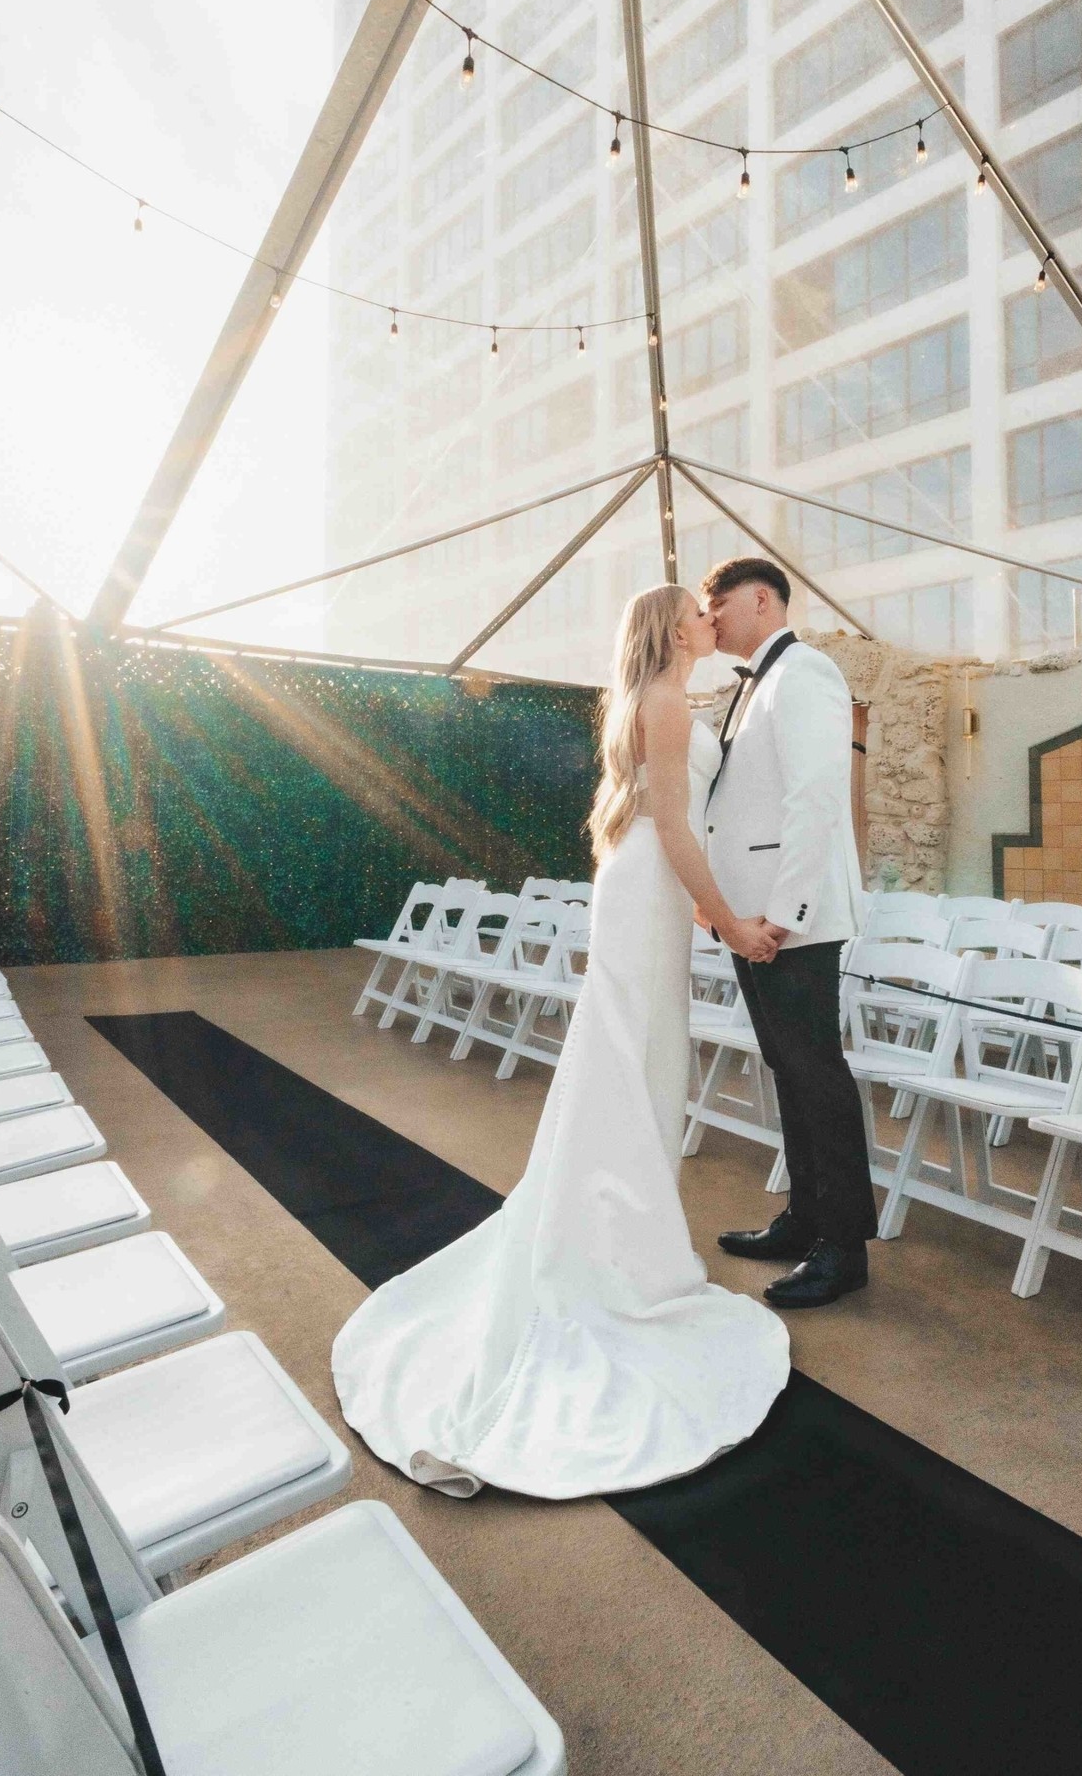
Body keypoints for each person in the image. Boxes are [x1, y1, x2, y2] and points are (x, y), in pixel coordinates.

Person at [331, 584, 790, 1498]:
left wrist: (695, 902)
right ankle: (617, 1257)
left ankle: (626, 1236)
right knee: (631, 1064)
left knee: (642, 1063)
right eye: (698, 610)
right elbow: (671, 821)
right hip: (653, 885)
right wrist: (730, 921)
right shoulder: (664, 701)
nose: (711, 616)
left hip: (647, 890)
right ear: (670, 628)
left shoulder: (661, 701)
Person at [700, 557, 877, 1309]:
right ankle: (805, 1219)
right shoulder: (755, 684)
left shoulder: (804, 672)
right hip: (752, 917)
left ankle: (844, 1248)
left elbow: (814, 796)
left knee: (816, 1076)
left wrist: (785, 912)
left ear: (763, 599)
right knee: (788, 1070)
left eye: (721, 603)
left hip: (786, 918)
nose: (710, 618)